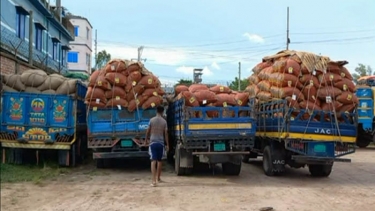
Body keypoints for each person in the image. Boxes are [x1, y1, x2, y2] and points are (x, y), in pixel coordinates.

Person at [145, 105, 169, 187]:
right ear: (162, 112)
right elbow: (166, 133)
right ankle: (158, 178)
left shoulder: (151, 120)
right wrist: (167, 144)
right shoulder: (164, 122)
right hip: (161, 143)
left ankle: (153, 181)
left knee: (153, 161)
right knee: (159, 161)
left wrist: (145, 140)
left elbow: (148, 131)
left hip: (152, 143)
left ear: (156, 111)